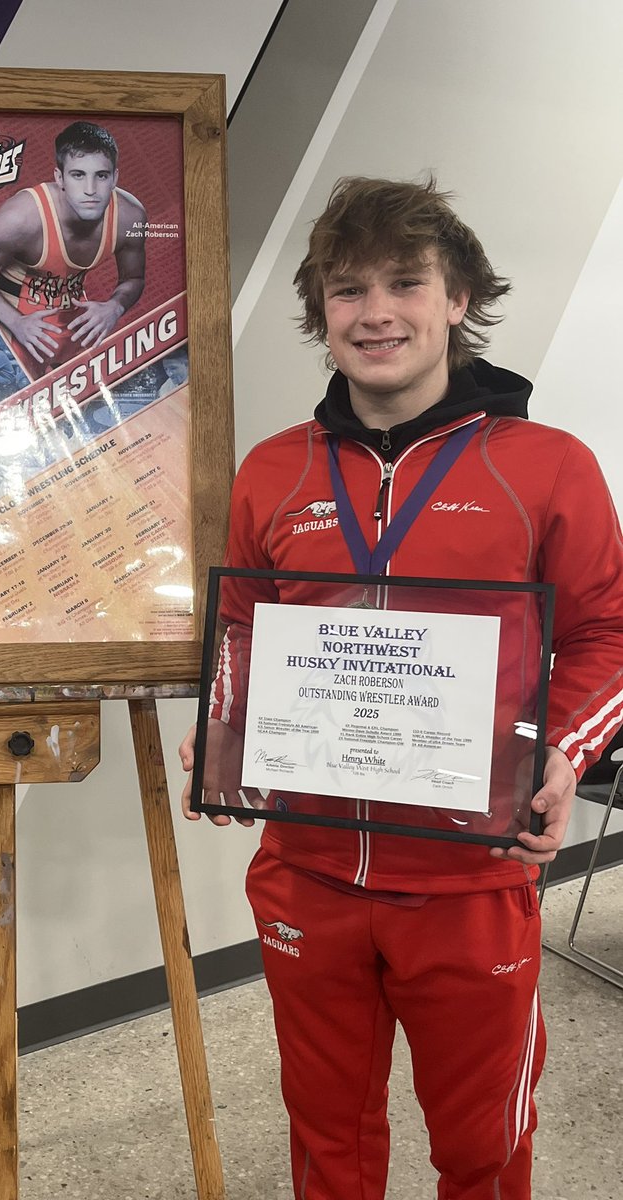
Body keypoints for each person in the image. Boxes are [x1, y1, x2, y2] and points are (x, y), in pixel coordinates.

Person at [179, 176, 623, 1200]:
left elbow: (607, 633)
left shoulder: (546, 467)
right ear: (320, 314)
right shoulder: (272, 472)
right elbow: (242, 625)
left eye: (405, 283)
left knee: (482, 1146)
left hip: (471, 880)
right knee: (327, 1142)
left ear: (458, 298)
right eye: (347, 291)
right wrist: (224, 725)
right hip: (309, 872)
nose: (376, 313)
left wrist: (559, 756)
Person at [0, 120, 146, 380]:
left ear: (115, 178)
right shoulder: (23, 216)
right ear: (60, 178)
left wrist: (115, 306)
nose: (90, 190)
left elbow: (133, 278)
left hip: (73, 324)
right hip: (15, 323)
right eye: (78, 175)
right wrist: (14, 322)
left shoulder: (129, 217)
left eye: (101, 176)